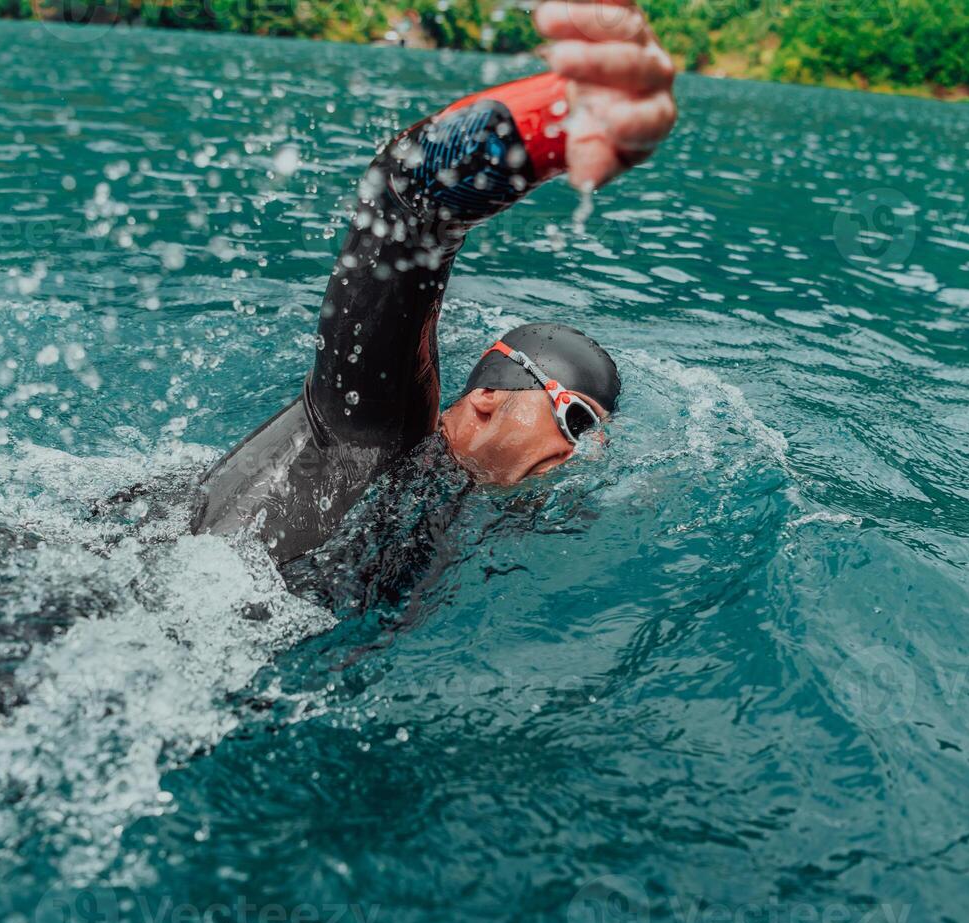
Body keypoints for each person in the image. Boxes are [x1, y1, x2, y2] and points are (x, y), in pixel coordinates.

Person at [192, 0, 678, 571]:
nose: (586, 452)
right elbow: (404, 203)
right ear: (486, 400)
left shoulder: (454, 511)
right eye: (576, 420)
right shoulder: (371, 429)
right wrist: (561, 116)